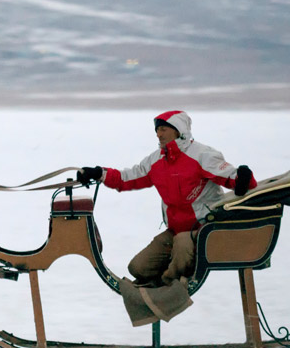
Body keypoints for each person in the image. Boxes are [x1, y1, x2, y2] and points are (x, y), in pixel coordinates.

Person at [76, 110, 255, 287]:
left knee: (182, 244)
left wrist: (243, 177)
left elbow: (231, 177)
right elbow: (127, 178)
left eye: (163, 129)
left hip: (204, 230)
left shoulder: (202, 155)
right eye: (157, 130)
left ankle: (168, 289)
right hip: (175, 232)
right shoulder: (156, 160)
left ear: (178, 130)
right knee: (138, 268)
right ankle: (158, 284)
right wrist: (99, 173)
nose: (158, 134)